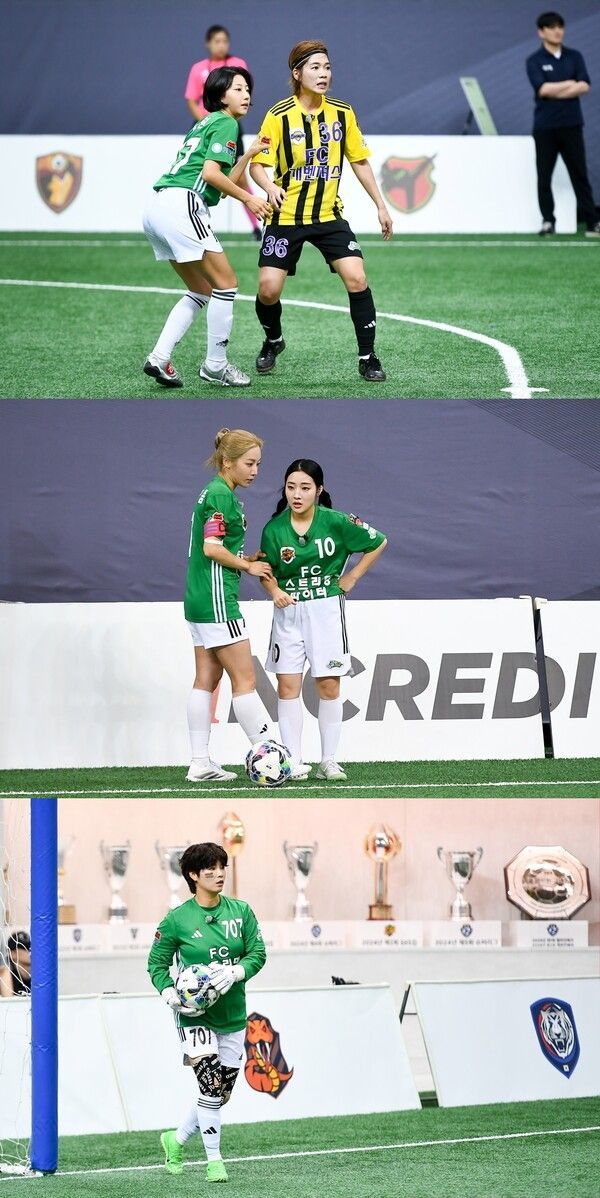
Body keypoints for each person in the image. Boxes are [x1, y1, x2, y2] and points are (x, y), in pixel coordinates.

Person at [249, 40, 393, 383]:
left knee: (357, 278)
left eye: (327, 67)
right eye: (315, 67)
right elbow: (257, 165)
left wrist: (381, 205)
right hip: (285, 217)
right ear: (297, 74)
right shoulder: (278, 116)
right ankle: (273, 340)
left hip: (328, 216)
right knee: (268, 290)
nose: (323, 73)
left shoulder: (342, 113)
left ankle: (368, 357)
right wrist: (269, 186)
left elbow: (359, 161)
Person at [142, 67, 271, 389]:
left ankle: (159, 357)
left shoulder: (205, 123)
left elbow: (218, 179)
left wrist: (248, 154)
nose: (246, 95)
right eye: (238, 89)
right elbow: (211, 175)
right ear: (220, 95)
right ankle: (216, 365)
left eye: (247, 89)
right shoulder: (227, 123)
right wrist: (250, 199)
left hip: (158, 206)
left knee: (200, 289)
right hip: (183, 205)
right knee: (226, 284)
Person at [259, 459, 387, 780]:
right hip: (288, 612)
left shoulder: (337, 521)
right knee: (287, 685)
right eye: (291, 487)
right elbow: (266, 571)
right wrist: (274, 590)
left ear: (319, 490)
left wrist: (352, 576)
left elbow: (378, 541)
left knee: (329, 685)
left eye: (305, 488)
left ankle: (328, 760)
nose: (296, 494)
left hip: (325, 611)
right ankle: (293, 761)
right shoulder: (273, 529)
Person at [148, 842, 266, 1184]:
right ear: (193, 875)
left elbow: (258, 953)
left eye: (221, 867)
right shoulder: (177, 920)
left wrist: (237, 971)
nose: (219, 874)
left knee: (220, 1094)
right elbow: (156, 963)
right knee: (211, 1086)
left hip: (233, 1014)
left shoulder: (241, 912)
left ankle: (175, 1140)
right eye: (210, 869)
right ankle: (215, 1162)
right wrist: (168, 992)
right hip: (195, 1016)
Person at [185, 428, 275, 783]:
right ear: (227, 461)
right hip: (217, 599)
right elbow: (211, 549)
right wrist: (248, 567)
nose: (255, 471)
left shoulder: (215, 491)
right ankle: (271, 758)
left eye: (258, 464)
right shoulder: (221, 495)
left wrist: (244, 557)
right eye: (249, 463)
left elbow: (217, 546)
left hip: (198, 598)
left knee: (206, 678)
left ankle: (199, 763)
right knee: (245, 679)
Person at [184, 23, 262, 239]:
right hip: (206, 123)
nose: (221, 45)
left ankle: (256, 227)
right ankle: (195, 218)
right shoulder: (198, 68)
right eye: (217, 41)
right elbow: (191, 100)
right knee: (203, 171)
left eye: (225, 41)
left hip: (220, 123)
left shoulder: (238, 64)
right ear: (208, 44)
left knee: (238, 178)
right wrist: (209, 121)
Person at [526, 12, 600, 237]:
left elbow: (584, 85)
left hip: (572, 125)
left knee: (579, 175)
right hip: (545, 127)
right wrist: (569, 84)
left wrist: (557, 89)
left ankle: (592, 223)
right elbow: (542, 89)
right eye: (551, 27)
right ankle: (548, 221)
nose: (557, 31)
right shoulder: (534, 60)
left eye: (560, 27)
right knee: (544, 176)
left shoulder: (574, 56)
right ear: (541, 32)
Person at [0, 931, 31, 997]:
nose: (30, 952)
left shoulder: (38, 973)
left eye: (30, 948)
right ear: (12, 953)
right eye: (25, 948)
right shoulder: (5, 975)